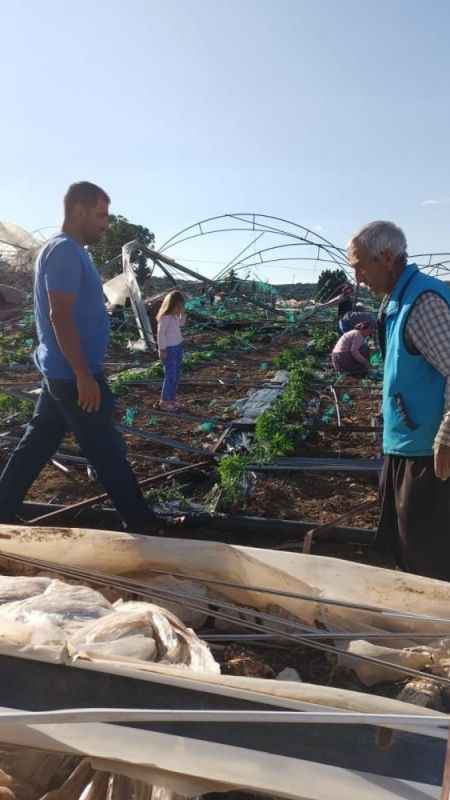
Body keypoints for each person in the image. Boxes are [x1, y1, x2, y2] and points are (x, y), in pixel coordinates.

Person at [0, 182, 158, 533]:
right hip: (73, 374)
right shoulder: (64, 252)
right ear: (78, 211)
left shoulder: (66, 250)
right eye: (100, 216)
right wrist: (84, 375)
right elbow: (60, 315)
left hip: (62, 371)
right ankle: (144, 526)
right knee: (106, 450)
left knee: (36, 444)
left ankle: (2, 509)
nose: (105, 224)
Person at [347, 220, 450, 581]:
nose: (358, 277)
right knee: (407, 551)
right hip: (407, 446)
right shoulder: (399, 300)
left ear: (387, 257)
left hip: (430, 457)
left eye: (361, 265)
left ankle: (436, 616)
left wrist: (447, 435)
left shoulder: (423, 302)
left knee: (429, 562)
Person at [157, 290, 186, 410]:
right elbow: (160, 334)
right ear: (171, 305)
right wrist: (162, 350)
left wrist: (182, 314)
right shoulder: (165, 317)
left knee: (176, 375)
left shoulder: (174, 316)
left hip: (178, 347)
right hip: (169, 349)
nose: (179, 309)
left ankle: (172, 399)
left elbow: (181, 324)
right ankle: (164, 401)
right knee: (170, 376)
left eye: (181, 307)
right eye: (178, 307)